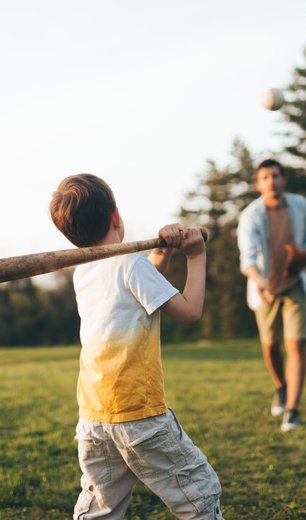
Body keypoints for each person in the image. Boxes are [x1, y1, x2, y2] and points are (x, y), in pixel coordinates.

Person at [50, 173, 224, 520]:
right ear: (116, 216)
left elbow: (139, 293)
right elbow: (189, 312)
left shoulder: (84, 272)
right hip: (139, 415)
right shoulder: (131, 266)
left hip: (95, 417)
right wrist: (196, 255)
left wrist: (161, 253)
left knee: (102, 504)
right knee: (199, 492)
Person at [236, 159, 306, 432]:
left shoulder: (300, 205)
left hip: (295, 284)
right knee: (270, 345)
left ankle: (292, 409)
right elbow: (247, 258)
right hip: (265, 289)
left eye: (275, 176)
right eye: (265, 177)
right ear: (259, 184)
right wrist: (260, 282)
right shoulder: (251, 215)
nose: (271, 181)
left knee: (296, 345)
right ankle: (281, 386)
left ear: (284, 179)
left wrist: (303, 254)